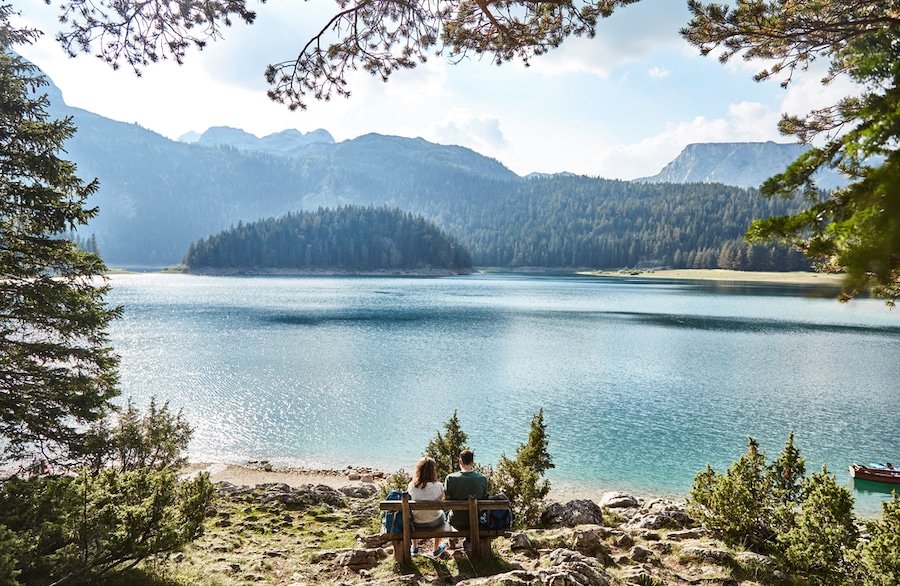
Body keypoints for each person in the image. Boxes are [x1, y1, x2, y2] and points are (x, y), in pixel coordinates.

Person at [406, 456, 448, 557]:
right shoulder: (438, 485)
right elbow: (443, 499)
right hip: (435, 523)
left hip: (417, 523)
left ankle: (414, 547)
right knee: (441, 513)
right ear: (433, 471)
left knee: (412, 516)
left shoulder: (412, 485)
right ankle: (436, 548)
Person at [444, 449, 488, 538]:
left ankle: (452, 541)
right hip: (477, 520)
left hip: (456, 521)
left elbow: (447, 500)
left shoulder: (450, 478)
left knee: (446, 514)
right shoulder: (482, 478)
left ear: (460, 461)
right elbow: (484, 497)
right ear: (472, 462)